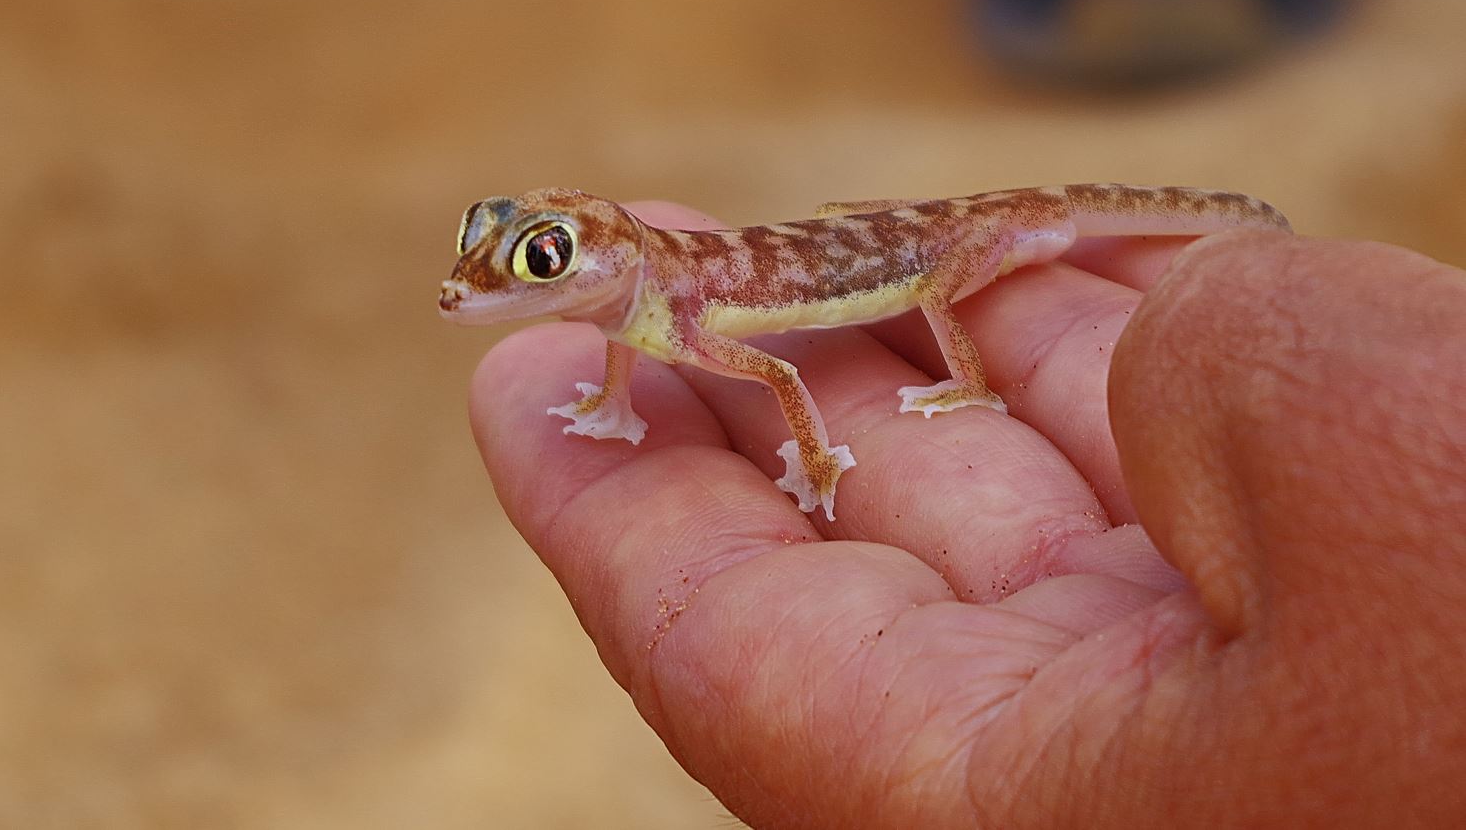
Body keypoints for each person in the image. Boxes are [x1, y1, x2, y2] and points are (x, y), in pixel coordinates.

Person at [465, 200, 1466, 827]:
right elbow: (633, 334)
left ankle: (970, 383)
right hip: (900, 231)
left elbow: (772, 367)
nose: (501, 283)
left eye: (540, 259)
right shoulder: (640, 305)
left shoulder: (681, 302)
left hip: (948, 240)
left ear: (612, 259)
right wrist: (610, 396)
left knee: (935, 283)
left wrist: (818, 461)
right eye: (508, 252)